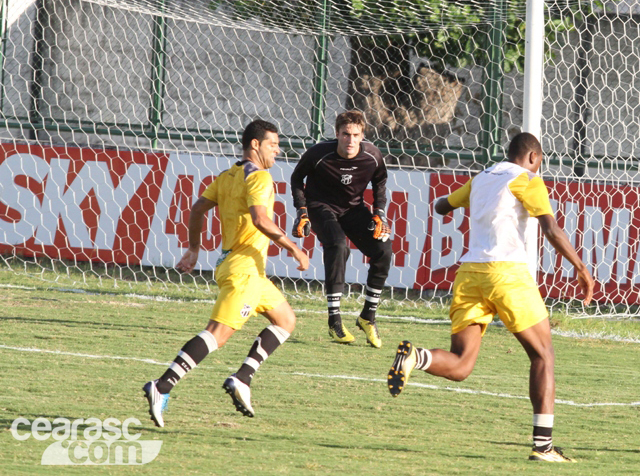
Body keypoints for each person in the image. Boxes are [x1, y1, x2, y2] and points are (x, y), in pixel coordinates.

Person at [386, 132, 594, 463]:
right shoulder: (528, 179)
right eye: (539, 162)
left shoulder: (482, 178)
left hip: (470, 275)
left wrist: (470, 201)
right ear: (533, 157)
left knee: (461, 365)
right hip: (506, 274)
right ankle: (543, 447)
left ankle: (415, 356)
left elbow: (441, 206)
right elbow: (551, 229)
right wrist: (581, 268)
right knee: (543, 355)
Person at [142, 119, 309, 427]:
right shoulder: (260, 177)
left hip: (245, 269)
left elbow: (197, 209)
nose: (278, 150)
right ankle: (162, 386)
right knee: (216, 335)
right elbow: (260, 219)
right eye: (273, 144)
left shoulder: (227, 175)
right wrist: (293, 248)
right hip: (244, 271)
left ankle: (243, 378)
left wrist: (194, 248)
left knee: (285, 320)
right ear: (255, 145)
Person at [290, 110, 391, 348]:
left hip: (353, 209)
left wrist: (379, 213)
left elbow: (380, 181)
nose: (350, 140)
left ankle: (368, 317)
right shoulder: (318, 154)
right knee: (338, 245)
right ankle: (334, 320)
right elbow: (297, 179)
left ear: (362, 135)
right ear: (336, 134)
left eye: (356, 135)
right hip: (320, 206)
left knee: (383, 249)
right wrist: (302, 211)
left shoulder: (373, 155)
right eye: (346, 134)